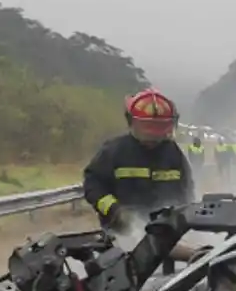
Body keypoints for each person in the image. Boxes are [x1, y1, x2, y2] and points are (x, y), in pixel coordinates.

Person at [82, 88, 195, 230]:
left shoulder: (174, 154)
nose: (153, 139)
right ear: (131, 122)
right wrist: (115, 211)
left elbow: (187, 192)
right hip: (120, 235)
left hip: (166, 234)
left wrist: (183, 218)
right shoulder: (113, 152)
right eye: (147, 132)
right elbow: (93, 186)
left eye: (159, 132)